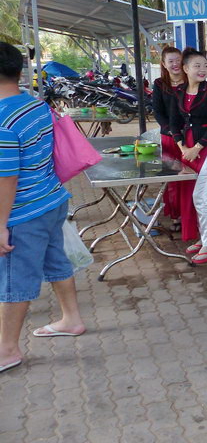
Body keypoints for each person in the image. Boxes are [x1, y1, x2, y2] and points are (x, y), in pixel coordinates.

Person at [0, 42, 86, 374]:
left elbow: (6, 178)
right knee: (56, 261)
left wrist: (1, 224)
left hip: (23, 212)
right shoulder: (35, 105)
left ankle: (7, 350)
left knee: (15, 278)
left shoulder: (3, 119)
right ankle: (71, 318)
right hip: (52, 200)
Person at [170, 48, 207, 265]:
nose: (202, 69)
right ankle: (204, 238)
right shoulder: (179, 91)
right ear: (185, 68)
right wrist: (182, 146)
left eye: (205, 65)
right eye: (197, 65)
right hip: (188, 147)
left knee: (201, 196)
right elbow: (174, 123)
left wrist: (197, 148)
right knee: (195, 195)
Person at [152, 46, 186, 232]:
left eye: (178, 60)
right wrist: (171, 131)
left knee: (189, 177)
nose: (175, 64)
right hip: (169, 138)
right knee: (172, 177)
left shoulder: (190, 80)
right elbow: (158, 112)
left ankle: (190, 214)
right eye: (170, 61)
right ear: (164, 64)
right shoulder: (159, 84)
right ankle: (176, 216)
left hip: (189, 139)